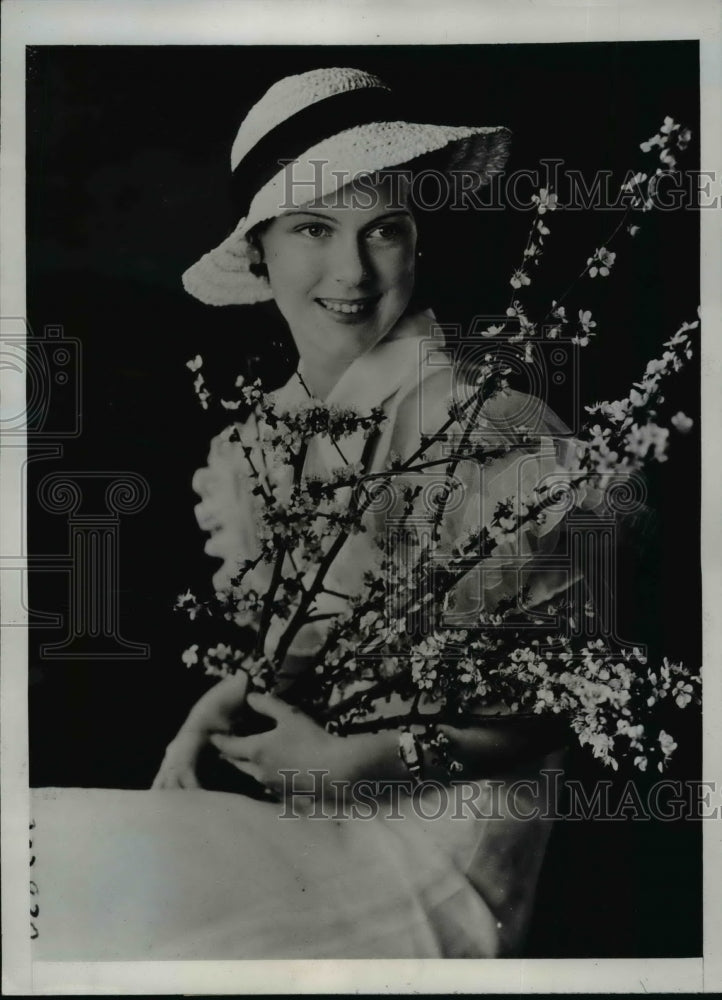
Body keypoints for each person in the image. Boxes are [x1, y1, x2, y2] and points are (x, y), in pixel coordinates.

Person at [31, 66, 597, 961]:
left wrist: (357, 763)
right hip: (318, 820)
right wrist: (216, 709)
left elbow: (559, 708)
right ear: (259, 251)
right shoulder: (268, 437)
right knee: (38, 854)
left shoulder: (498, 431)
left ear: (418, 241)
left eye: (386, 230)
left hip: (443, 863)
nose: (352, 270)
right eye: (312, 228)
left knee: (84, 878)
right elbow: (326, 640)